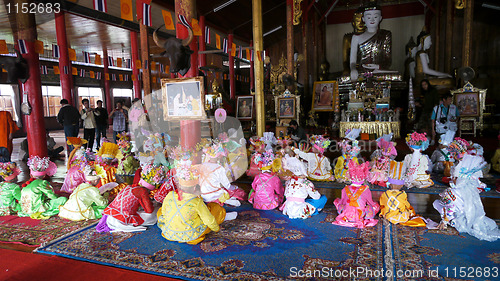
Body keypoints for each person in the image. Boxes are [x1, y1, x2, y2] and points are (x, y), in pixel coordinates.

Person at [433, 154, 500, 241]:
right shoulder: (469, 188)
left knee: (436, 203)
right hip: (468, 214)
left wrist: (444, 221)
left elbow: (450, 208)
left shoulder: (450, 192)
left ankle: (452, 221)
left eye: (453, 177)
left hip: (458, 219)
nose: (451, 178)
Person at [349, 3, 392, 81]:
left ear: (380, 18)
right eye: (368, 17)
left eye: (375, 17)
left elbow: (388, 60)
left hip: (379, 71)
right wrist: (353, 69)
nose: (372, 20)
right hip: (362, 72)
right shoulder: (356, 37)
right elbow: (352, 61)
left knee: (396, 76)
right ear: (363, 19)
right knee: (347, 78)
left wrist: (377, 66)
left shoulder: (385, 35)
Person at [333, 160, 380, 228]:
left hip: (347, 215)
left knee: (337, 202)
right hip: (360, 215)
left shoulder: (345, 189)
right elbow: (370, 203)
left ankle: (347, 218)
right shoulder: (366, 189)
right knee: (375, 205)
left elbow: (342, 202)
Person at [379, 160, 427, 227]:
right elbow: (407, 205)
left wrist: (383, 213)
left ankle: (390, 217)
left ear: (389, 184)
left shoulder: (385, 194)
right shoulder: (403, 194)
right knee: (408, 211)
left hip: (388, 216)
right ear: (402, 185)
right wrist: (411, 212)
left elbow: (382, 205)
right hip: (400, 216)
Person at [280, 154, 326, 219]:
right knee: (323, 198)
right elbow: (317, 197)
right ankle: (315, 210)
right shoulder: (306, 183)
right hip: (299, 209)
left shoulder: (288, 181)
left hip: (288, 209)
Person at [342, 7, 366, 76]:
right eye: (358, 21)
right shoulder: (348, 38)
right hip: (353, 68)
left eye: (363, 21)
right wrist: (347, 69)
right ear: (353, 23)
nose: (360, 23)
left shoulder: (372, 36)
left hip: (368, 68)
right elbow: (345, 60)